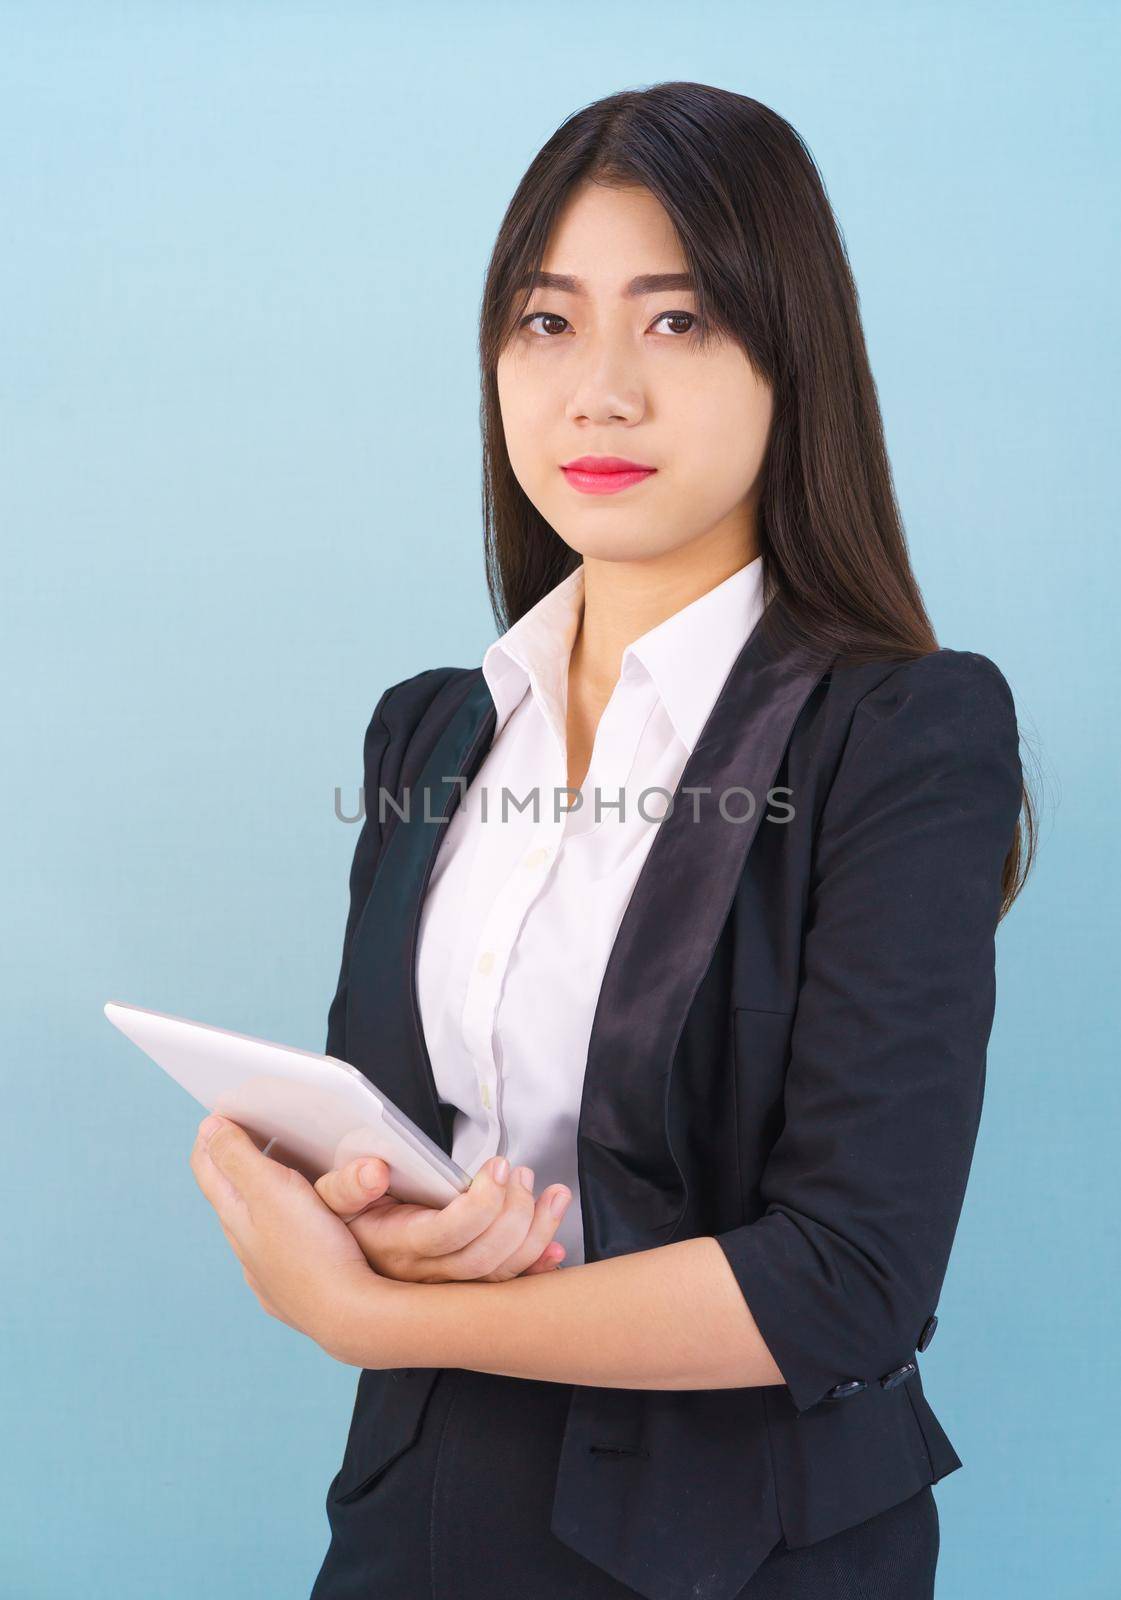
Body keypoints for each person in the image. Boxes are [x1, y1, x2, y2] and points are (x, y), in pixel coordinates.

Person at [189, 82, 1036, 1600]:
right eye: (547, 322)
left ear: (795, 358)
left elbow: (848, 1282)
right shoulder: (432, 729)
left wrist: (385, 1316)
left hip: (745, 1549)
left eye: (679, 322)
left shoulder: (900, 732)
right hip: (417, 1521)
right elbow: (382, 1133)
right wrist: (294, 1176)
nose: (598, 394)